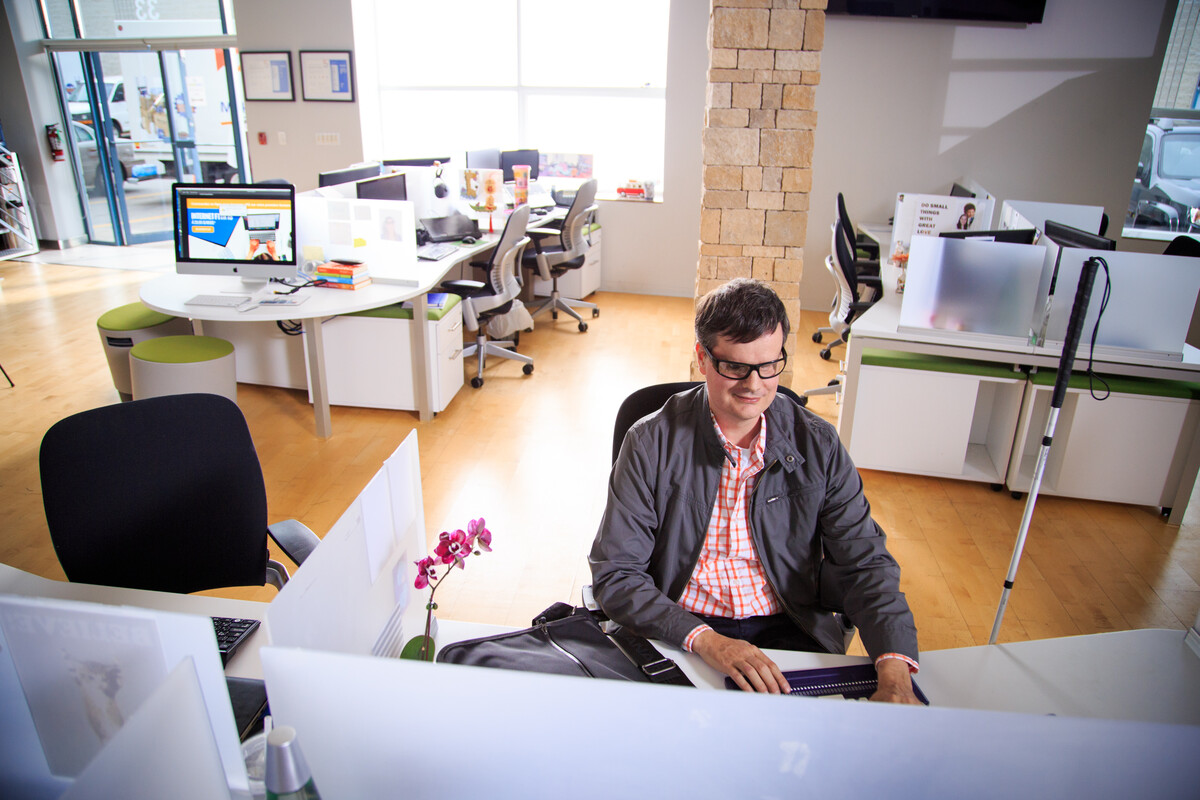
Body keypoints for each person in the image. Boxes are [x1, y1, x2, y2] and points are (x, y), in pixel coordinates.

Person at [589, 278, 921, 703]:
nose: (755, 384)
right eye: (735, 367)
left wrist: (894, 673)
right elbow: (617, 572)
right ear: (702, 358)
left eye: (769, 365)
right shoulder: (650, 441)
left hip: (790, 626)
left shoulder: (817, 443)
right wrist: (708, 641)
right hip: (679, 626)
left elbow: (866, 563)